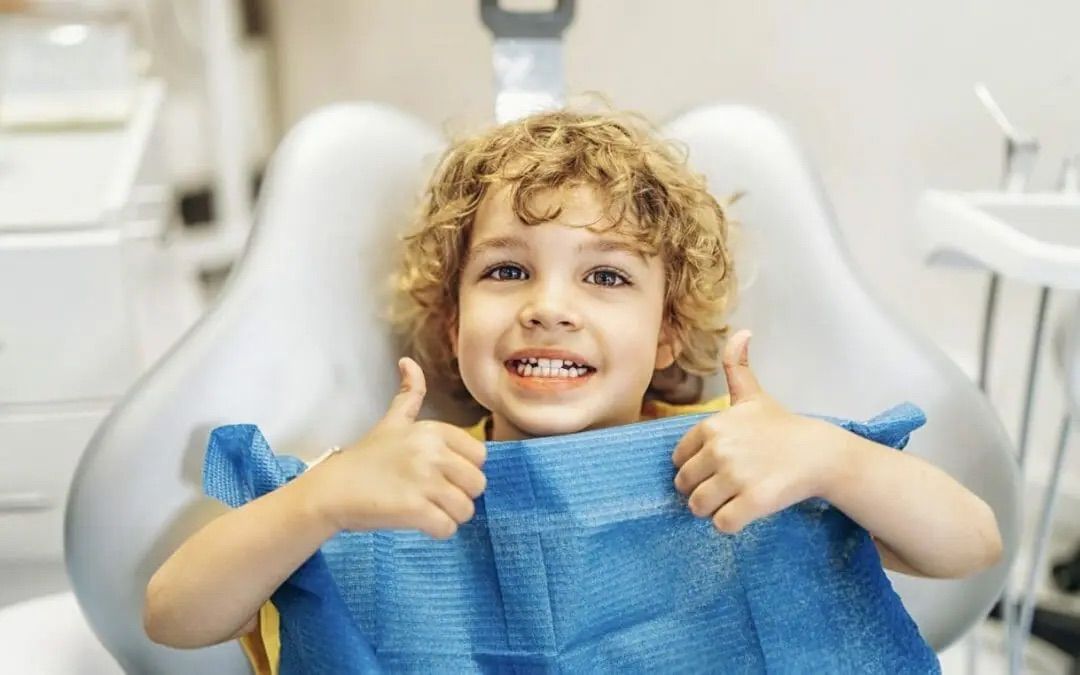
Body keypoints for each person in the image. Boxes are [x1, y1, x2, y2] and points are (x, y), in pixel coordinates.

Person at [143, 108, 1003, 672]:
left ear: (669, 331)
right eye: (509, 270)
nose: (550, 308)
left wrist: (832, 459)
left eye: (606, 278)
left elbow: (969, 544)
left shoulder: (746, 459)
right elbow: (173, 615)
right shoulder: (386, 485)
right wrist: (318, 503)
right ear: (451, 323)